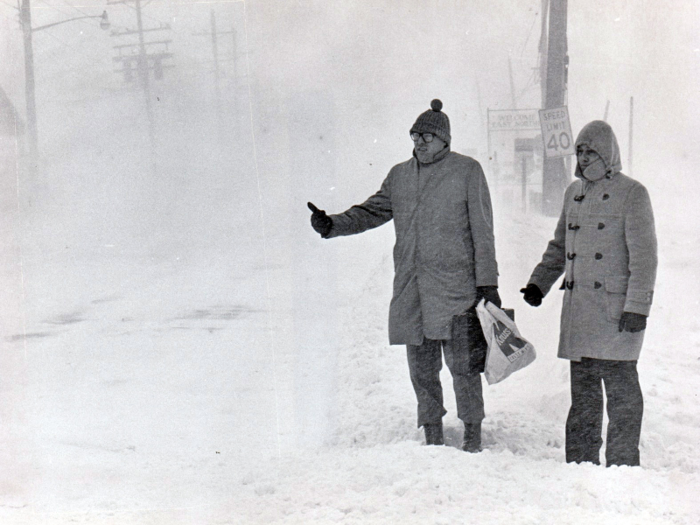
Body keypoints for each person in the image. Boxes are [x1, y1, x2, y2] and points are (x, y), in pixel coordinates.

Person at [308, 99, 500, 452]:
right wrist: (333, 224)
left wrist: (489, 283)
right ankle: (432, 431)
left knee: (463, 368)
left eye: (427, 135)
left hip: (457, 289)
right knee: (422, 370)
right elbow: (372, 211)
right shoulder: (399, 176)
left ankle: (472, 432)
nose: (419, 141)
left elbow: (483, 231)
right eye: (415, 134)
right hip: (413, 289)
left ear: (445, 139)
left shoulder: (467, 171)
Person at [521, 120, 657, 467]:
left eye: (591, 151)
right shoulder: (574, 193)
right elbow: (559, 246)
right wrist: (540, 282)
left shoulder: (633, 193)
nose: (584, 157)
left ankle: (624, 465)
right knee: (582, 398)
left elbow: (644, 257)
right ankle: (581, 464)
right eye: (579, 151)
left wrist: (637, 307)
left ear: (608, 153)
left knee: (623, 396)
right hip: (581, 312)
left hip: (615, 315)